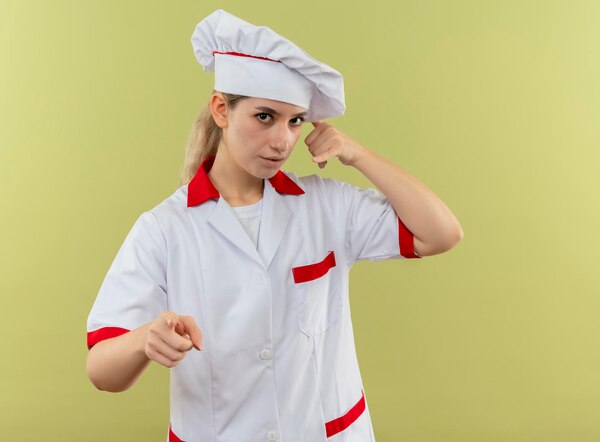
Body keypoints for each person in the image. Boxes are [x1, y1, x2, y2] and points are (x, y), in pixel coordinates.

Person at [85, 9, 463, 442]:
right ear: (221, 110)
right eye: (265, 116)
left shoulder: (325, 205)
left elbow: (441, 233)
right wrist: (144, 341)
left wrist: (357, 154)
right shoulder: (165, 229)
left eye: (295, 120)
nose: (284, 140)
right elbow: (101, 370)